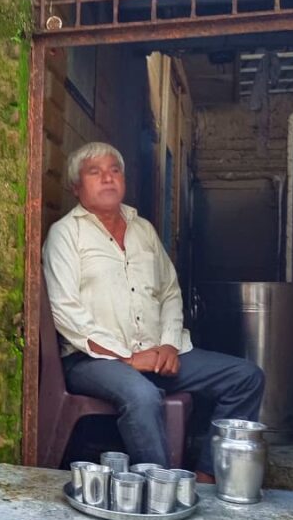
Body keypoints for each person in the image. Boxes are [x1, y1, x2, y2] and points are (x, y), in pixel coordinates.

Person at [42, 141, 265, 481]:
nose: (107, 178)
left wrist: (168, 345)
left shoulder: (143, 229)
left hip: (156, 350)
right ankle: (162, 488)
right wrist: (128, 359)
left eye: (114, 170)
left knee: (246, 377)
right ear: (76, 187)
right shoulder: (65, 235)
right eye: (95, 172)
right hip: (91, 360)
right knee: (142, 395)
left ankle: (205, 477)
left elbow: (169, 293)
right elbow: (66, 312)